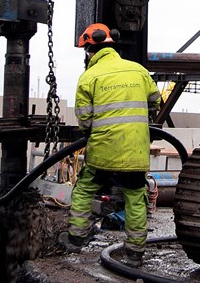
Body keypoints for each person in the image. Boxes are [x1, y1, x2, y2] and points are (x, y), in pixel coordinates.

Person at [58, 22, 162, 268]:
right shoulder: (137, 70)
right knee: (135, 197)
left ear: (89, 51)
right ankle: (135, 253)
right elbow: (155, 102)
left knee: (84, 190)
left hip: (103, 150)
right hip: (135, 151)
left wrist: (94, 130)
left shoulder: (89, 76)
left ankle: (75, 240)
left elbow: (84, 118)